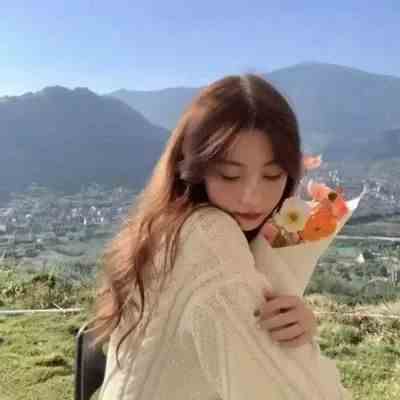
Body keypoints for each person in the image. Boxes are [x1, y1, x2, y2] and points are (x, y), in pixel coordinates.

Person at [89, 74, 351, 399]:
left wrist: (296, 326)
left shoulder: (169, 224)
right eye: (230, 175)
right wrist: (301, 349)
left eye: (272, 175)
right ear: (194, 168)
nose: (252, 197)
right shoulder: (208, 235)